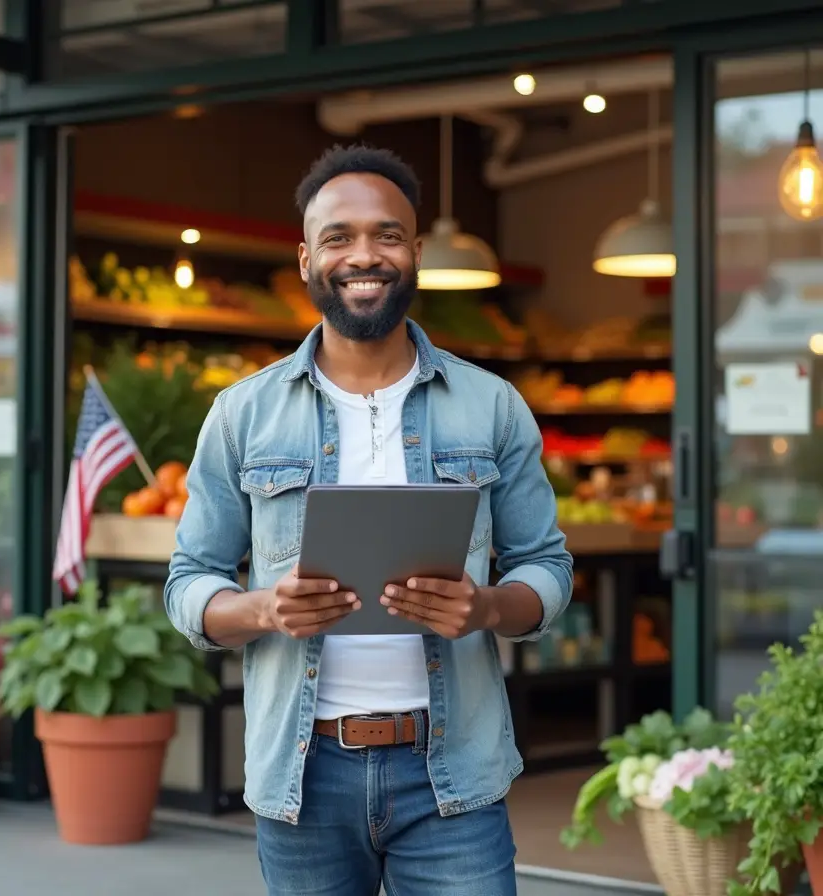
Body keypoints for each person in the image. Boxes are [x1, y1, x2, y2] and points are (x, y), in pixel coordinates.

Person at [165, 144, 573, 895]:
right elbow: (188, 584)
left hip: (453, 775)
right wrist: (261, 607)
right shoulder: (242, 415)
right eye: (338, 237)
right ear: (305, 259)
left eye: (387, 235)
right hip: (303, 777)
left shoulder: (492, 405)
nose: (364, 255)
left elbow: (547, 569)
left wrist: (487, 606)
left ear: (415, 252)